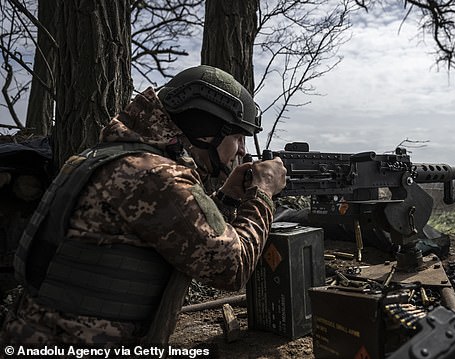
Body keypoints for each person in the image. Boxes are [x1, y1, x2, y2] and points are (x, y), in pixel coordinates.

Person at [0, 65, 286, 345]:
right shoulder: (155, 175)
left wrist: (227, 198)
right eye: (237, 136)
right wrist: (262, 193)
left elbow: (179, 232)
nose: (243, 150)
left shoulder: (115, 157)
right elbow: (231, 267)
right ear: (206, 129)